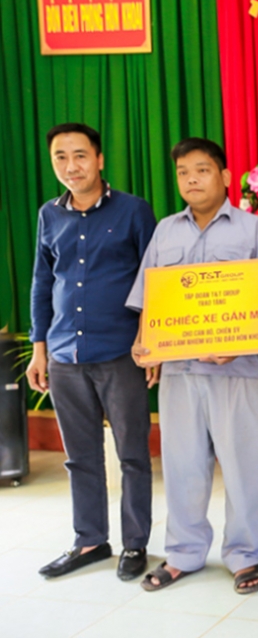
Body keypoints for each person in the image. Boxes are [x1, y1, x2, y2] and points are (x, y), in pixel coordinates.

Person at [127, 137, 258, 595]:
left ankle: (245, 555)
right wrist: (144, 344)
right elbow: (150, 298)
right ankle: (184, 553)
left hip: (237, 372)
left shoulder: (256, 232)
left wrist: (240, 345)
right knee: (182, 467)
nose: (191, 180)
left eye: (202, 170)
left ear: (225, 176)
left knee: (244, 469)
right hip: (179, 373)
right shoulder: (165, 232)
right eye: (183, 173)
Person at [28, 123, 156, 582]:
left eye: (80, 155)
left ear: (99, 160)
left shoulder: (134, 211)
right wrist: (39, 349)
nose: (71, 166)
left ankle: (135, 543)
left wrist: (152, 342)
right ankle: (90, 541)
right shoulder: (49, 215)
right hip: (65, 354)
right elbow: (43, 282)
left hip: (121, 352)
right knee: (79, 456)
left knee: (132, 454)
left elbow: (154, 279)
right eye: (60, 157)